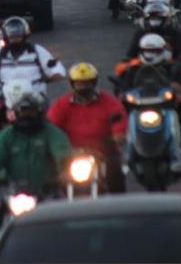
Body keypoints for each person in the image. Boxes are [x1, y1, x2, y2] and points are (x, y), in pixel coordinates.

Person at [0, 88, 72, 236]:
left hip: (48, 193)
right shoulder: (5, 137)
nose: (26, 115)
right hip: (14, 193)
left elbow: (62, 152)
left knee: (68, 220)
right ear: (15, 113)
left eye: (30, 111)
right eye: (23, 111)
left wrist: (65, 167)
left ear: (39, 112)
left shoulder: (51, 132)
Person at [0, 17, 65, 132]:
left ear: (25, 36)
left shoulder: (37, 51)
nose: (15, 40)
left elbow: (53, 66)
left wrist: (55, 74)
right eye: (12, 37)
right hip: (7, 96)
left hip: (35, 95)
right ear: (6, 38)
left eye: (18, 37)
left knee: (51, 117)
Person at [47, 63, 127, 193]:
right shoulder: (62, 104)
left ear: (93, 83)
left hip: (103, 151)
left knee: (115, 175)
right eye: (79, 83)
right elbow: (51, 126)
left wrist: (118, 134)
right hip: (71, 153)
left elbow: (118, 117)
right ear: (73, 84)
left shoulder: (108, 101)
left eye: (87, 83)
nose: (83, 87)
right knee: (55, 179)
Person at [114, 34, 181, 150]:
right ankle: (126, 143)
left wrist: (178, 85)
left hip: (163, 103)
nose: (150, 54)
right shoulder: (132, 68)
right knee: (120, 111)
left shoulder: (171, 66)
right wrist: (122, 92)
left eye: (155, 51)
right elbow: (122, 83)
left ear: (162, 51)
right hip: (138, 104)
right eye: (147, 50)